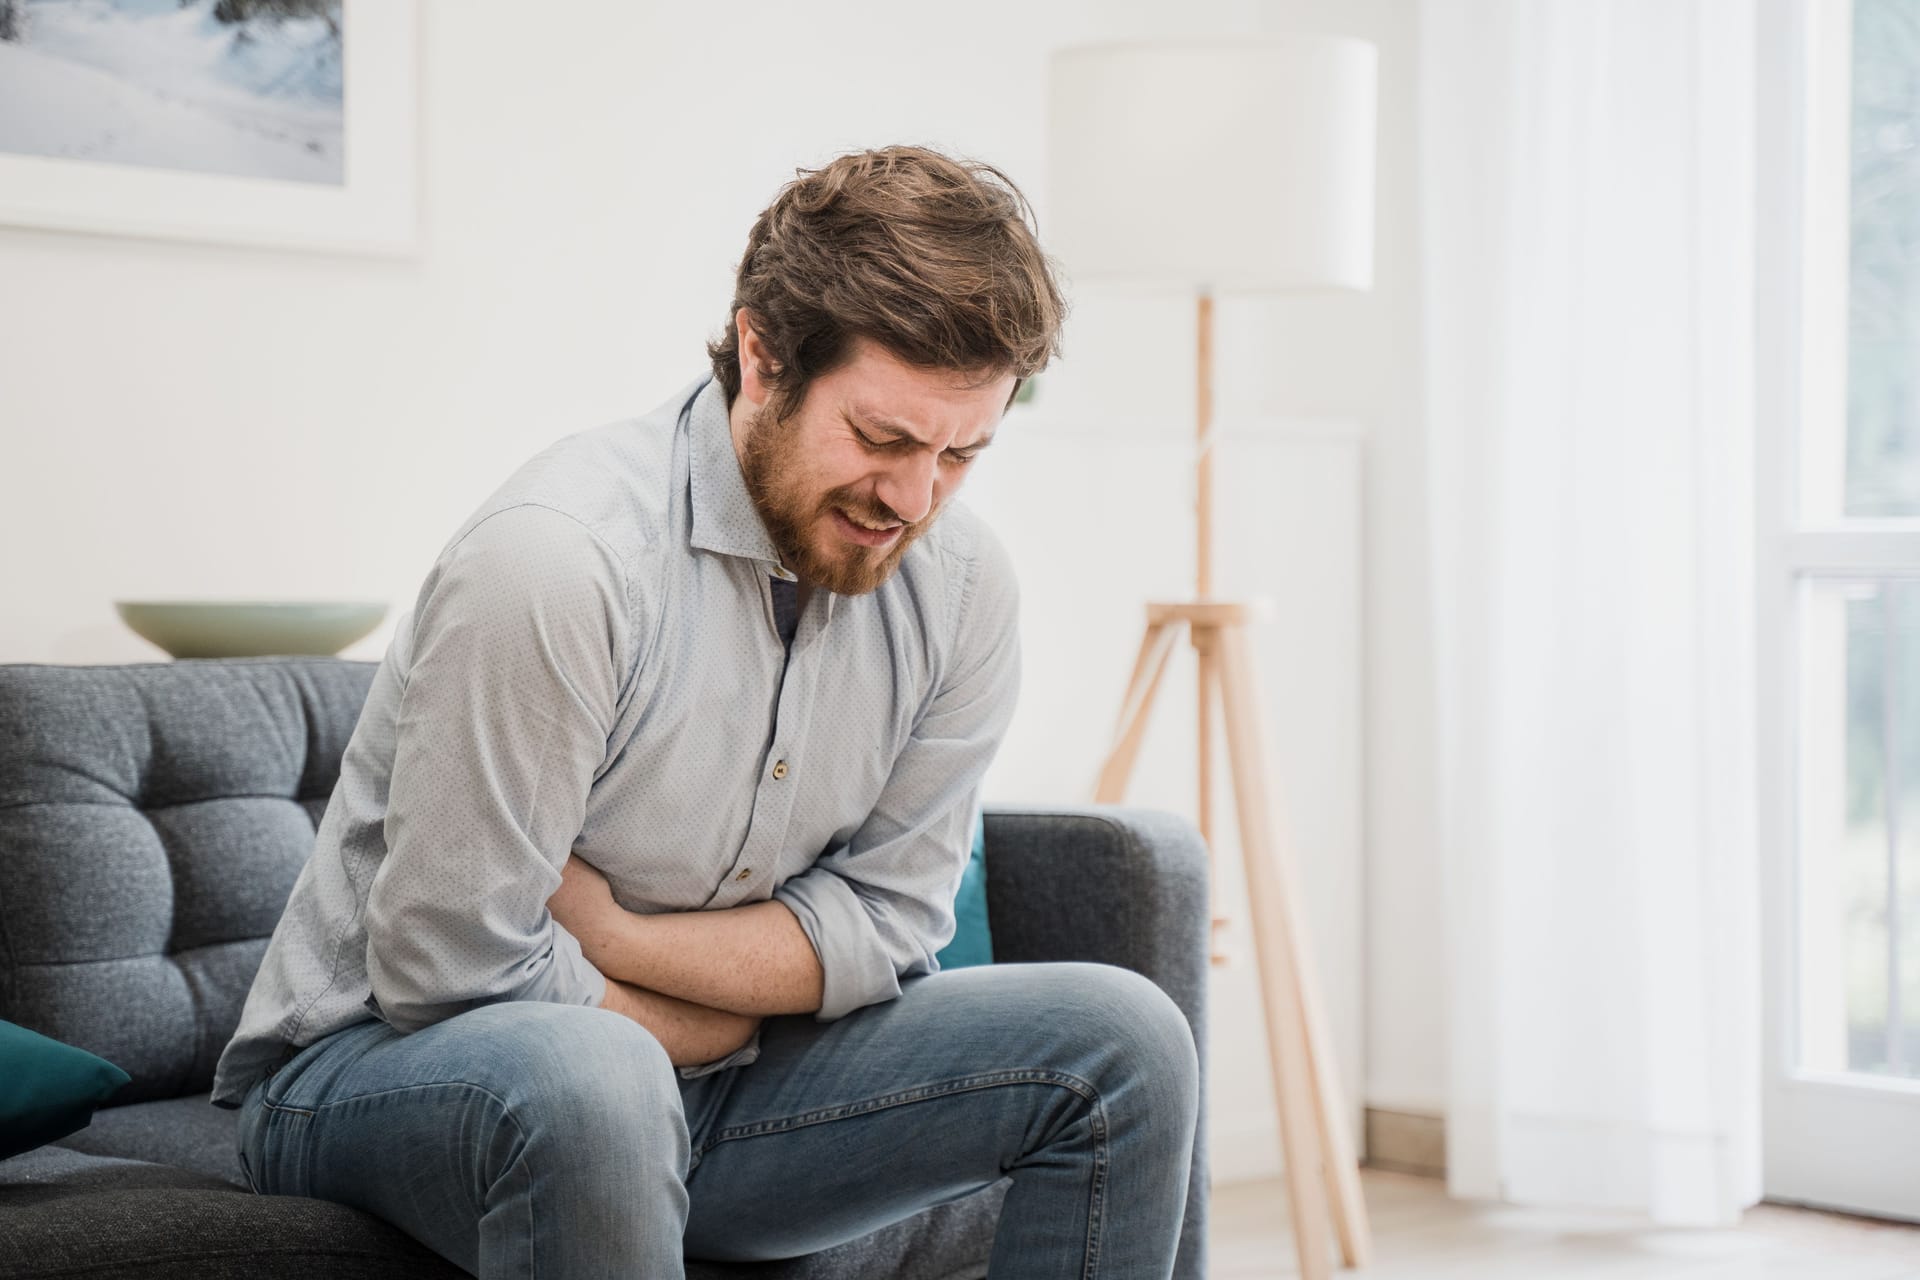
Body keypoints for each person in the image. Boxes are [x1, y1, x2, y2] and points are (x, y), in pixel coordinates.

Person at [210, 144, 1201, 1279]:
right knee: (599, 1077)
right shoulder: (561, 562)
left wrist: (627, 939)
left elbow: (889, 922)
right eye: (881, 439)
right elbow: (449, 971)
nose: (913, 498)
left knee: (1127, 1041)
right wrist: (714, 1020)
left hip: (707, 1091)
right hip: (372, 1074)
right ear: (762, 355)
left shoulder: (964, 587)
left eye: (960, 452)